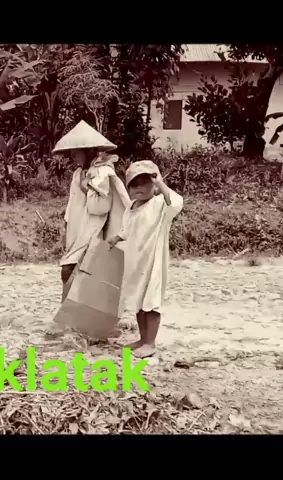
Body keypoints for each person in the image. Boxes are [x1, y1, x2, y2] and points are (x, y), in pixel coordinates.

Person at [107, 160, 184, 358]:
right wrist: (116, 238)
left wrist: (160, 184)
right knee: (138, 302)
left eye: (144, 183)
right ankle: (142, 339)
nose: (139, 188)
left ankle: (150, 343)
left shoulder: (159, 205)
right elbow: (127, 229)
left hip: (152, 261)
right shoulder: (131, 208)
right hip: (135, 261)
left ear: (153, 185)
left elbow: (175, 203)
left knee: (151, 302)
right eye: (134, 184)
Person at [53, 121, 131, 301]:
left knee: (71, 269)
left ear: (88, 151)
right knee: (73, 270)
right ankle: (71, 310)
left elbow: (101, 207)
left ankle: (73, 311)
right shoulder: (78, 173)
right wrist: (66, 227)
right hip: (77, 229)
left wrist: (86, 189)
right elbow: (72, 204)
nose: (73, 157)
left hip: (93, 230)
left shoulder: (102, 173)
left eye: (76, 153)